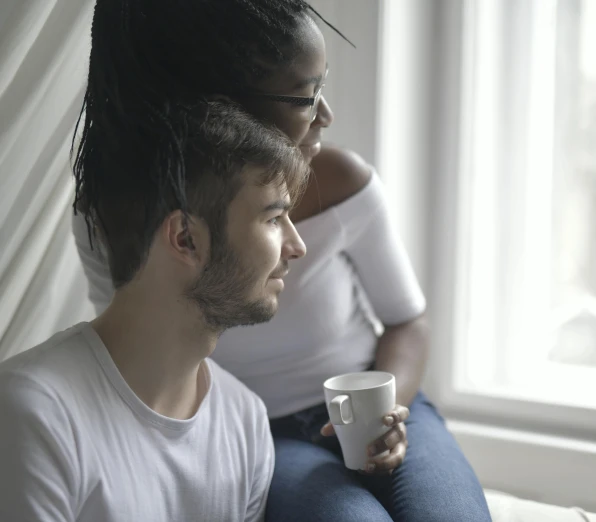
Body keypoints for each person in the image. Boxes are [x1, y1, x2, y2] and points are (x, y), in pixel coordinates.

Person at [72, 1, 492, 520]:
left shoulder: (342, 182)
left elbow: (409, 320)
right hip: (261, 432)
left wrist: (385, 413)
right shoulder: (122, 225)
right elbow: (141, 353)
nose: (327, 115)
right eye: (305, 96)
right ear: (224, 107)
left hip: (375, 401)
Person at [0, 99, 309, 521]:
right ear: (185, 238)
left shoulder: (246, 422)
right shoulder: (34, 412)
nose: (297, 246)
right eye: (274, 218)